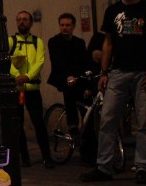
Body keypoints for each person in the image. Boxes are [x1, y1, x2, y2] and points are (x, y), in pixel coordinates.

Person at [81, 0, 146, 184]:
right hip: (118, 72)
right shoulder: (113, 11)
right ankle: (104, 167)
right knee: (107, 119)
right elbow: (107, 43)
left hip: (144, 72)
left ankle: (143, 166)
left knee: (144, 120)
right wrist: (104, 71)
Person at [9, 10, 54, 169]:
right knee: (18, 124)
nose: (22, 22)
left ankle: (47, 156)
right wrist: (16, 76)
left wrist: (27, 76)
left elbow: (40, 62)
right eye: (19, 19)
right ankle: (24, 157)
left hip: (32, 89)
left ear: (31, 22)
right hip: (18, 90)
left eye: (25, 19)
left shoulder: (38, 42)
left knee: (39, 123)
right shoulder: (11, 41)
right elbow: (7, 61)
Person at [47, 13, 92, 136]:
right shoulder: (54, 41)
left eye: (67, 25)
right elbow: (57, 62)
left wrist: (87, 83)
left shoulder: (79, 42)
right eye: (62, 25)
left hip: (79, 77)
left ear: (73, 26)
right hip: (64, 77)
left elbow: (85, 62)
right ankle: (72, 127)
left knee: (87, 105)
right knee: (70, 96)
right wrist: (67, 76)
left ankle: (87, 133)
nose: (64, 28)